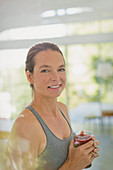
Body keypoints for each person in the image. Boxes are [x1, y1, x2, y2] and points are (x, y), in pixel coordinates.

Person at [6, 42, 99, 170]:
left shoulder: (62, 109)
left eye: (61, 69)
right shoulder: (24, 126)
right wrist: (72, 165)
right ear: (29, 76)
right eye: (45, 70)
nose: (56, 77)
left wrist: (81, 153)